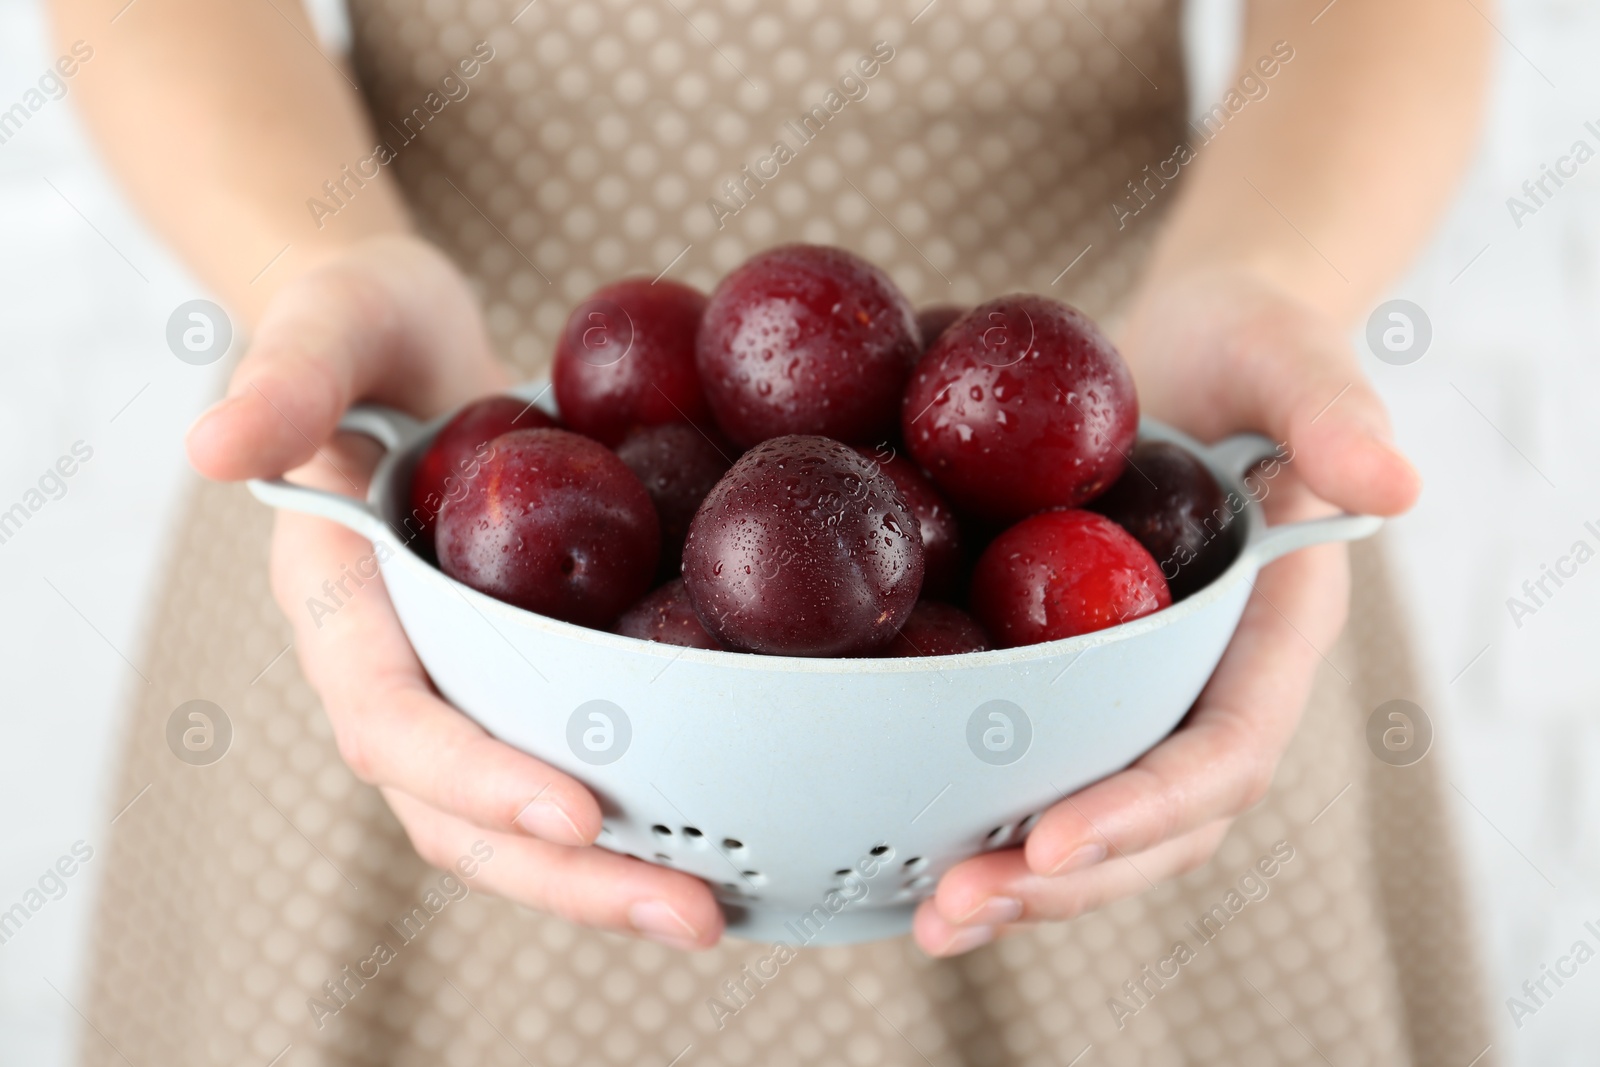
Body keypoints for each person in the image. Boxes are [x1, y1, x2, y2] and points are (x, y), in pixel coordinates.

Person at [54, 0, 1498, 1062]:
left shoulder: (1040, 476)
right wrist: (313, 255)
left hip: (1113, 463)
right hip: (442, 511)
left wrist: (1267, 277)